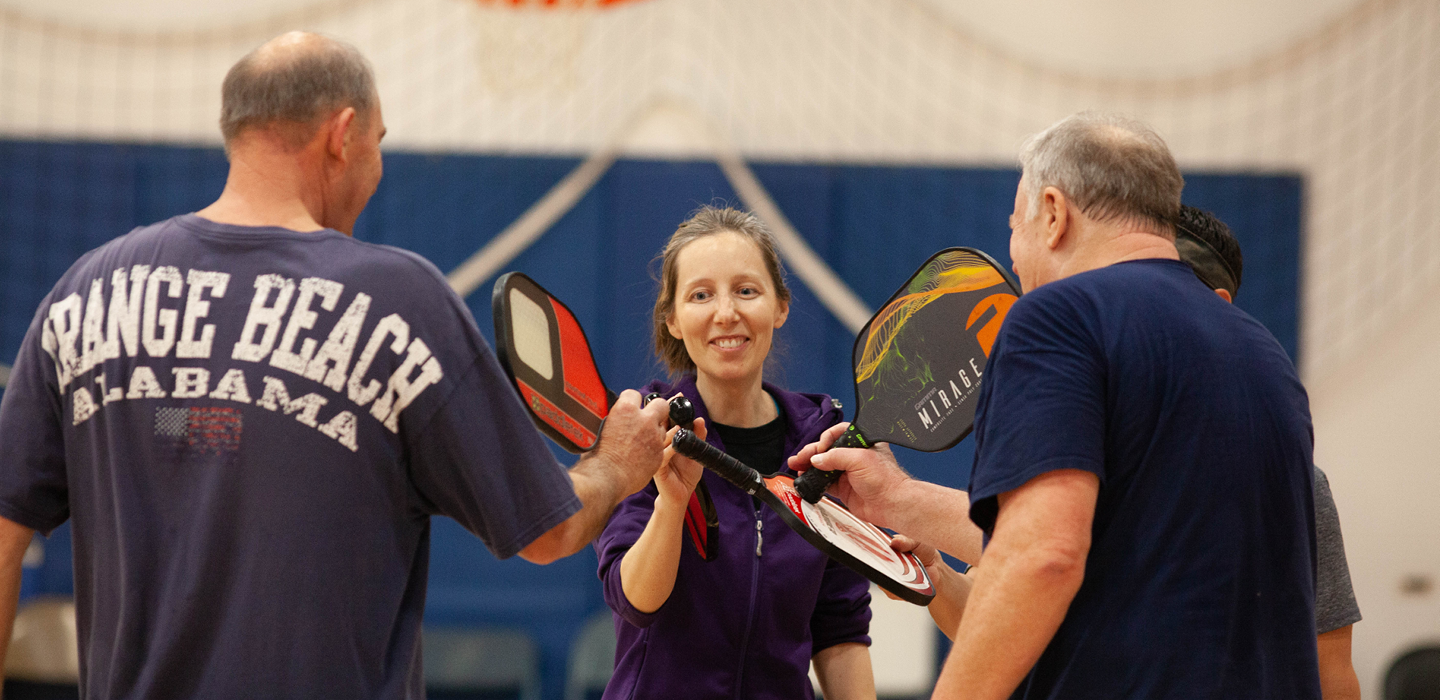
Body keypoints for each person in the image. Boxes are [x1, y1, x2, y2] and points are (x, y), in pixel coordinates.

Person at [0, 32, 670, 698]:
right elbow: (550, 531)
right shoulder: (398, 302)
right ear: (342, 134)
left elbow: (9, 526)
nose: (375, 168)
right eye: (378, 142)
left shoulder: (86, 292)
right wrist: (616, 463)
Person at [793, 112, 1319, 699]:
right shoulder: (1263, 353)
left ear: (1053, 212)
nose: (1014, 257)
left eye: (1016, 226)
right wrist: (899, 499)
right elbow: (1127, 548)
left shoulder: (1056, 316)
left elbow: (1042, 556)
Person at [593, 206, 875, 700]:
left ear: (780, 307)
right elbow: (635, 601)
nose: (726, 312)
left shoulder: (821, 448)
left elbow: (840, 629)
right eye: (701, 295)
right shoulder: (644, 434)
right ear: (674, 320)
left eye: (747, 290)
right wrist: (672, 504)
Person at [1176, 205, 1362, 700]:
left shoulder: (1294, 481)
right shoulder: (1078, 448)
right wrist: (938, 573)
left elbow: (1332, 675)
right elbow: (984, 611)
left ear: (1214, 307)